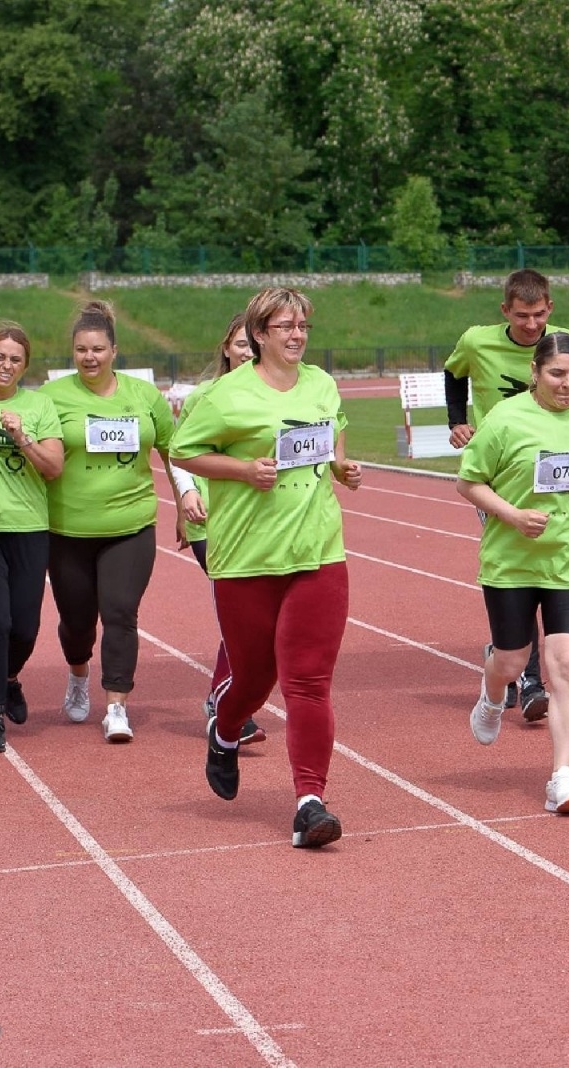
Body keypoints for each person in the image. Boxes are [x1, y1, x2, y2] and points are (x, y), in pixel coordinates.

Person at [171, 287, 361, 848]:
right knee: (254, 678)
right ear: (258, 334)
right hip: (246, 558)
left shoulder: (321, 384)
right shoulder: (225, 395)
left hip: (318, 552)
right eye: (285, 326)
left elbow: (333, 437)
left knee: (308, 680)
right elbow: (184, 452)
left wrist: (343, 467)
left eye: (303, 326)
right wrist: (242, 470)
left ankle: (309, 802)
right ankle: (225, 728)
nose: (297, 335)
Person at [456, 332, 569, 814]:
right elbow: (468, 482)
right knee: (513, 661)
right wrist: (512, 515)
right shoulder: (505, 419)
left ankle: (562, 778)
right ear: (535, 372)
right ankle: (492, 694)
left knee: (567, 663)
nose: (568, 384)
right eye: (557, 374)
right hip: (513, 562)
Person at [444, 268, 569, 722]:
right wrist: (457, 419)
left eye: (538, 315)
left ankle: (513, 659)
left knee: (547, 561)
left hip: (553, 472)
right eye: (521, 316)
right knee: (521, 558)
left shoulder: (565, 345)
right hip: (501, 474)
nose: (532, 325)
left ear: (550, 308)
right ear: (505, 311)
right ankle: (527, 676)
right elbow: (453, 373)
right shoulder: (477, 341)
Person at [41, 300, 177, 742]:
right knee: (77, 622)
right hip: (68, 529)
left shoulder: (144, 396)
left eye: (98, 349)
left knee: (120, 613)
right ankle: (78, 674)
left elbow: (173, 450)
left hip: (130, 525)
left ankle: (117, 706)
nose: (90, 357)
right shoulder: (52, 397)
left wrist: (186, 501)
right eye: (81, 350)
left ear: (114, 351)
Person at [0, 323, 63, 753]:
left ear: (25, 365)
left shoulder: (39, 405)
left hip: (29, 526)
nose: (6, 365)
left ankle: (9, 678)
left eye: (15, 359)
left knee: (26, 627)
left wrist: (21, 437)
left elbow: (54, 468)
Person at [174, 313, 261, 745]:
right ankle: (224, 701)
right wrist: (187, 492)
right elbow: (179, 450)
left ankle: (225, 698)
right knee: (241, 611)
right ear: (226, 347)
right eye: (240, 344)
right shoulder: (204, 396)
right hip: (209, 518)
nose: (247, 352)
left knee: (255, 615)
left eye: (253, 344)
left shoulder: (272, 394)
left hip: (257, 518)